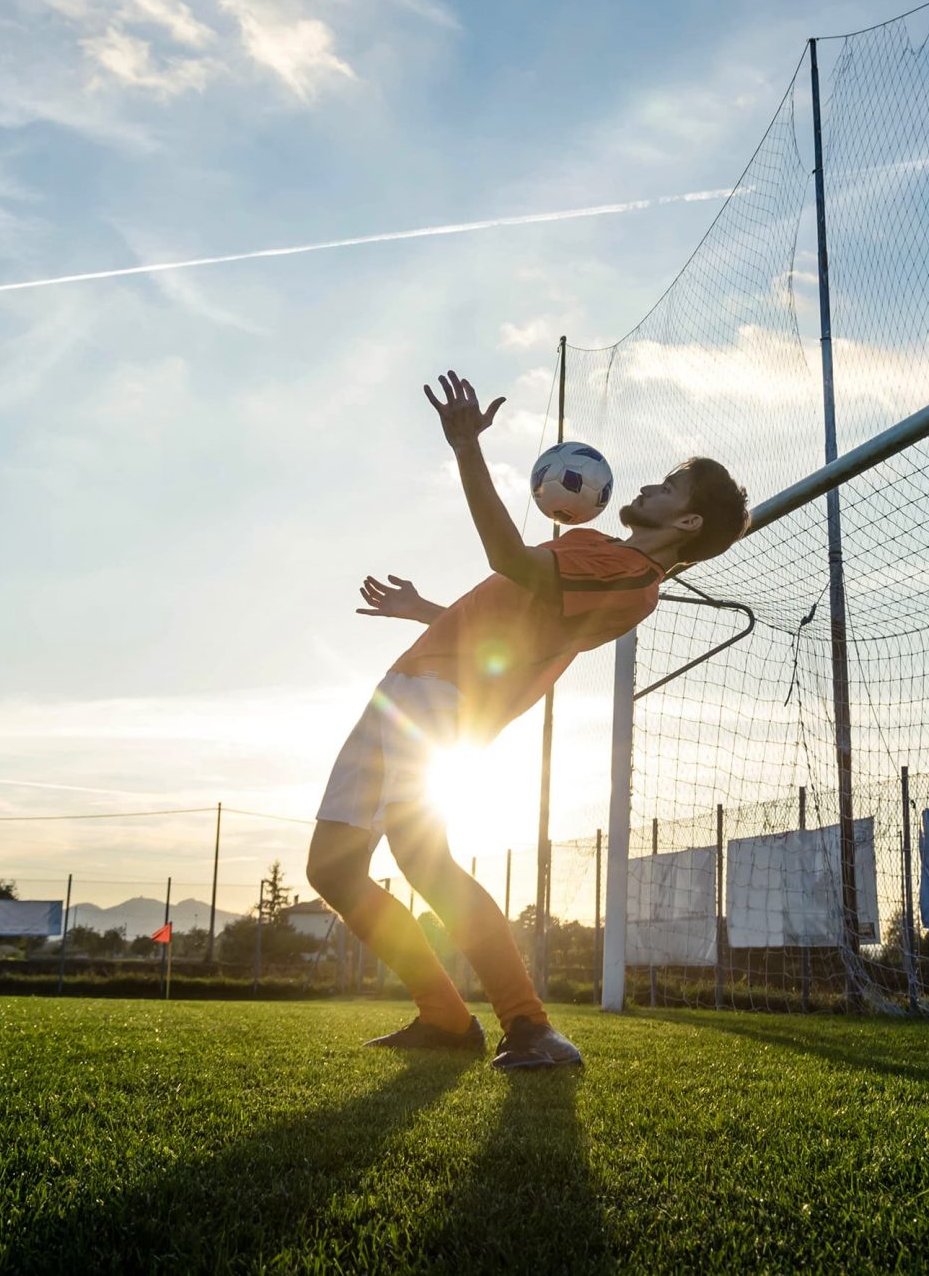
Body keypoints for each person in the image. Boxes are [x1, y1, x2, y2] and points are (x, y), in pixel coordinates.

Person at [305, 368, 750, 1070]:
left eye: (667, 488)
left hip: (440, 700)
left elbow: (506, 558)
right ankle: (446, 1019)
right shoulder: (604, 556)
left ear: (687, 522)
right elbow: (507, 620)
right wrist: (425, 610)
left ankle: (529, 1025)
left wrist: (465, 447)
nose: (648, 488)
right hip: (411, 684)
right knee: (331, 869)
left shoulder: (628, 576)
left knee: (422, 856)